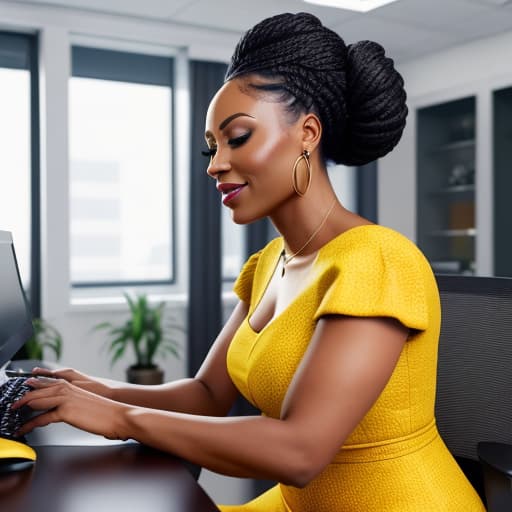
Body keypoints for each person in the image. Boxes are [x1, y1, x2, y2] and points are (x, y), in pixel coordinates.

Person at [14, 12, 485, 511]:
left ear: (307, 133)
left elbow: (300, 451)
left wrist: (117, 419)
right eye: (211, 147)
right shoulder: (269, 263)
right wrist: (94, 389)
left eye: (237, 138)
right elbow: (205, 394)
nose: (215, 164)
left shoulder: (377, 259)